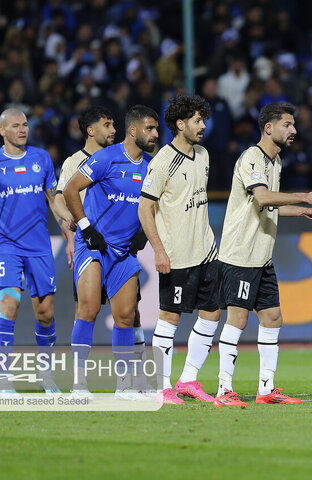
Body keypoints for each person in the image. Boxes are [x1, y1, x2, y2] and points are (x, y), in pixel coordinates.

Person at [214, 102, 312, 407]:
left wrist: (301, 211)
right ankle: (223, 390)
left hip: (261, 257)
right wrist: (305, 195)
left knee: (273, 317)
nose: (294, 130)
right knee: (237, 319)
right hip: (240, 255)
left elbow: (269, 205)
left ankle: (266, 389)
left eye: (293, 125)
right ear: (269, 128)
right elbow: (263, 196)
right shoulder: (252, 157)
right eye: (287, 125)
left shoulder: (275, 162)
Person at [0, 108, 74, 396]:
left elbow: (53, 200)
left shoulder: (41, 158)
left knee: (46, 313)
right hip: (7, 247)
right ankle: (3, 380)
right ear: (2, 130)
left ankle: (45, 376)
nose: (22, 130)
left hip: (39, 247)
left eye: (24, 125)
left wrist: (67, 228)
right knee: (9, 306)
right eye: (15, 125)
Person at [63, 105, 158, 400]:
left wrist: (142, 235)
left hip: (123, 252)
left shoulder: (151, 168)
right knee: (89, 309)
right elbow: (70, 189)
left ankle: (124, 387)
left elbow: (153, 208)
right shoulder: (106, 157)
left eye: (155, 129)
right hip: (92, 246)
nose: (155, 134)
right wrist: (86, 228)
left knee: (126, 316)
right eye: (150, 129)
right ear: (134, 131)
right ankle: (78, 385)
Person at [138, 95, 220, 405]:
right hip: (176, 255)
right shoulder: (162, 162)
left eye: (204, 120)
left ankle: (188, 379)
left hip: (206, 252)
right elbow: (145, 209)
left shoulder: (204, 155)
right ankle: (162, 386)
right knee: (169, 317)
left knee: (211, 313)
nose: (203, 126)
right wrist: (159, 251)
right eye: (198, 121)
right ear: (180, 124)